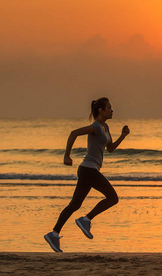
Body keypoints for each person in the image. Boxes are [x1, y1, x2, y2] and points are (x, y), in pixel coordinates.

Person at [44, 97, 130, 252]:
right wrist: (67, 155)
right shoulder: (96, 127)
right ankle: (86, 219)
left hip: (88, 170)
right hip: (88, 170)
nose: (112, 110)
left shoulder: (106, 128)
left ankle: (54, 234)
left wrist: (123, 136)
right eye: (109, 108)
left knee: (74, 204)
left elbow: (109, 149)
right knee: (112, 198)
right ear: (101, 110)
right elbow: (73, 133)